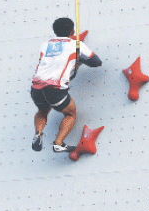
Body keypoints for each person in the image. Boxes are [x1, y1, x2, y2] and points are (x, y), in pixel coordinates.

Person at [30, 17, 101, 153]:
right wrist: (79, 60)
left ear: (55, 31)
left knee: (43, 110)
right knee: (70, 114)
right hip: (55, 89)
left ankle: (38, 133)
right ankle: (58, 143)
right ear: (72, 31)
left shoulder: (45, 44)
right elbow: (96, 62)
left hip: (36, 87)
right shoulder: (76, 45)